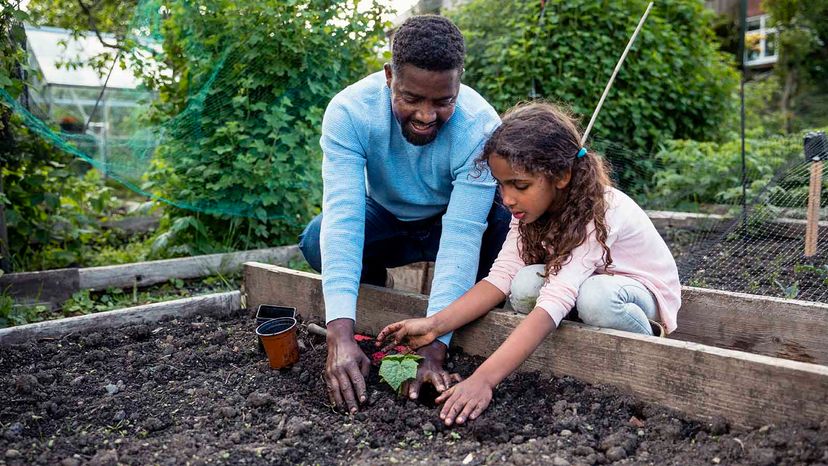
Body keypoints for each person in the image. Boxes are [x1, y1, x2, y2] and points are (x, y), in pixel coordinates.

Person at [376, 102, 681, 426]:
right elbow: (501, 277)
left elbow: (556, 298)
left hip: (637, 294)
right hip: (584, 283)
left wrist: (484, 379)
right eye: (502, 184)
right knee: (522, 284)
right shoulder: (528, 213)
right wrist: (434, 325)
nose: (507, 199)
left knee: (595, 298)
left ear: (561, 176)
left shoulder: (597, 210)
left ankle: (652, 341)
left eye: (519, 185)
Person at [298, 15, 511, 414]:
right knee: (317, 238)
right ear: (389, 76)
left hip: (452, 219)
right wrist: (339, 334)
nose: (426, 115)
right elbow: (344, 217)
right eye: (411, 98)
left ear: (458, 85)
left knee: (505, 219)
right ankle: (373, 306)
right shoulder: (350, 112)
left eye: (443, 101)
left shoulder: (480, 127)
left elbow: (462, 236)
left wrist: (434, 350)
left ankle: (479, 309)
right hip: (387, 217)